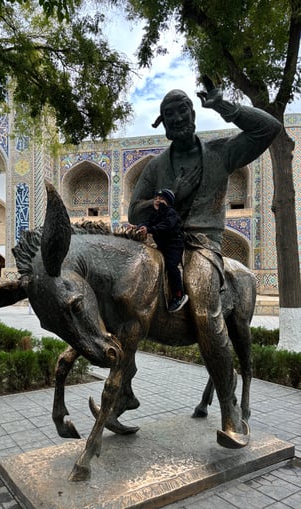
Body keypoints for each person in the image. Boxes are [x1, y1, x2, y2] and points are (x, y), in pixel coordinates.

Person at [128, 79, 282, 445]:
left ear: (194, 114)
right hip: (163, 241)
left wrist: (224, 105)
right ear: (162, 123)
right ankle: (120, 396)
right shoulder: (155, 167)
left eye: (183, 111)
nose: (178, 118)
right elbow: (135, 211)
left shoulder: (220, 154)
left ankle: (230, 412)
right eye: (170, 114)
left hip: (202, 245)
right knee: (121, 294)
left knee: (203, 311)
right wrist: (157, 204)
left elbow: (269, 128)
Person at [136, 188, 188, 312]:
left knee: (171, 266)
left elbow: (167, 225)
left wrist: (150, 230)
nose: (157, 201)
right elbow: (147, 223)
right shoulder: (156, 215)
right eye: (156, 198)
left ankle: (179, 295)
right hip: (162, 246)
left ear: (168, 202)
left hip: (174, 246)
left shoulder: (171, 213)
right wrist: (140, 227)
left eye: (161, 199)